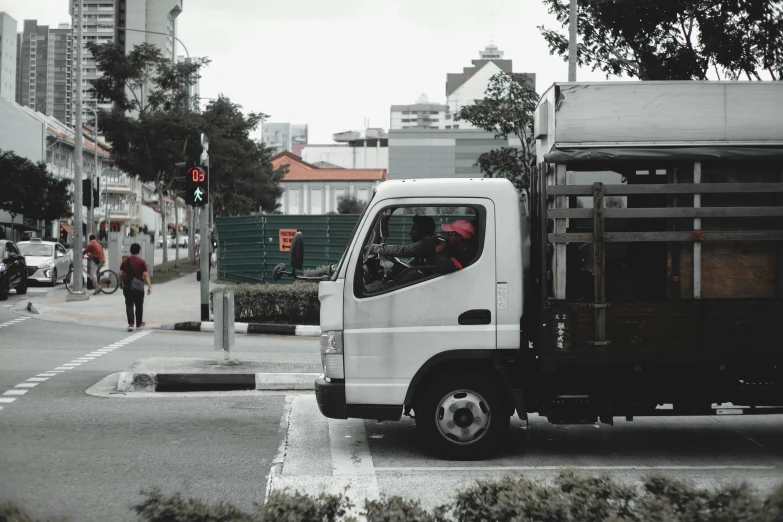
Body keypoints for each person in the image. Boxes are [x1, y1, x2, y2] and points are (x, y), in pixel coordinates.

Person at [369, 215, 439, 266]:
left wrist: (372, 247)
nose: (410, 232)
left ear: (423, 230)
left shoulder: (429, 242)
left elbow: (404, 250)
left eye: (414, 229)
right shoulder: (430, 242)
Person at [119, 243, 152, 331]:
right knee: (139, 304)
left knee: (129, 305)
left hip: (127, 286)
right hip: (139, 286)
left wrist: (120, 283)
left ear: (130, 250)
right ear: (139, 251)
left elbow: (120, 274)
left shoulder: (125, 262)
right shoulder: (142, 262)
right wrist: (149, 286)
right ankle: (139, 323)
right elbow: (145, 275)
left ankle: (130, 324)